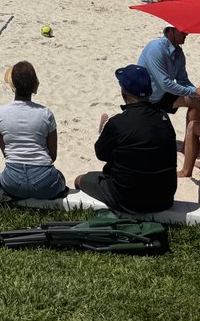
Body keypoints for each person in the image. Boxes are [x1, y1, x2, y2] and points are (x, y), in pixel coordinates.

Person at [74, 65, 177, 213]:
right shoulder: (164, 117)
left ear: (123, 92)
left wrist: (105, 131)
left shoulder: (117, 122)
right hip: (164, 198)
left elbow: (101, 154)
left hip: (128, 199)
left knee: (80, 180)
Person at [138, 25, 200, 177]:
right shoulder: (156, 49)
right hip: (145, 97)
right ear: (170, 30)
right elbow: (165, 83)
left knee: (197, 102)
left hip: (163, 94)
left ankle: (189, 143)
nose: (187, 33)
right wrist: (194, 91)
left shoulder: (179, 53)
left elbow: (183, 80)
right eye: (183, 30)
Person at [0, 61, 67, 200]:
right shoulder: (46, 114)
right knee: (60, 177)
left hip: (12, 181)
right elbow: (52, 155)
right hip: (44, 182)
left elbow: (6, 153)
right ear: (35, 85)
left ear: (13, 86)